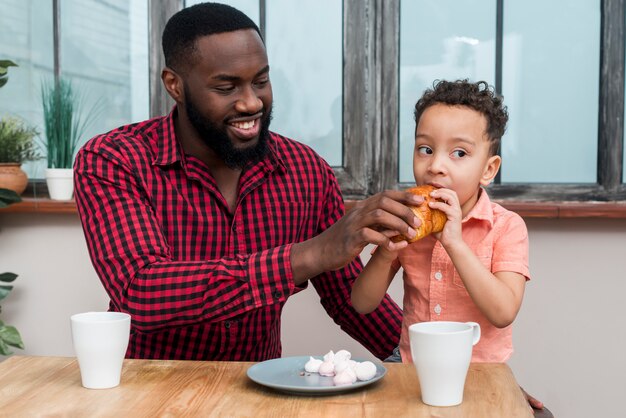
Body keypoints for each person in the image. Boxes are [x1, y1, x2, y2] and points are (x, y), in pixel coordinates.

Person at [73, 2, 422, 362]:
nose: (251, 103)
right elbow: (141, 291)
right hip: (147, 389)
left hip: (256, 390)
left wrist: (423, 355)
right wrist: (309, 254)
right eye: (227, 87)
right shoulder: (113, 160)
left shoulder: (306, 171)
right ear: (174, 85)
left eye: (261, 81)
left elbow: (347, 296)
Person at [352, 79, 530, 363]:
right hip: (415, 366)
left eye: (459, 153)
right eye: (426, 149)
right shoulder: (408, 220)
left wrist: (455, 243)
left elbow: (503, 312)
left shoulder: (506, 227)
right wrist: (386, 251)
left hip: (480, 375)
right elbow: (361, 304)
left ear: (488, 169)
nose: (435, 166)